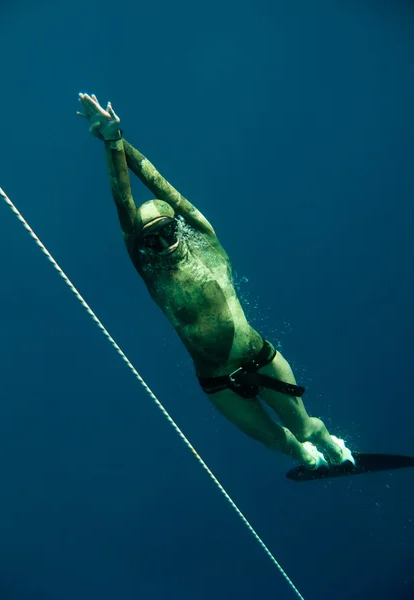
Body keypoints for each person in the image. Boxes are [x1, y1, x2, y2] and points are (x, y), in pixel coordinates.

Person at [77, 92, 354, 471]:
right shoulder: (150, 268)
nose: (160, 244)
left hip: (259, 357)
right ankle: (305, 453)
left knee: (304, 427)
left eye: (166, 232)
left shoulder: (203, 239)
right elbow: (124, 205)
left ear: (177, 225)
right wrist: (110, 145)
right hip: (217, 383)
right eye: (150, 240)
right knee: (280, 442)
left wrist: (118, 138)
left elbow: (161, 185)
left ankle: (327, 441)